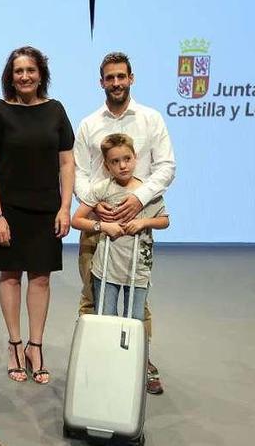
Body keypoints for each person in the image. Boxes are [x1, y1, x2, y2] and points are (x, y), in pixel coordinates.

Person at [74, 51, 176, 394]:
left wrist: (138, 199)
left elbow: (166, 167)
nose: (116, 83)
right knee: (93, 296)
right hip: (98, 222)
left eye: (121, 76)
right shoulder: (89, 124)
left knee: (137, 300)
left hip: (137, 224)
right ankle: (94, 362)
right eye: (109, 77)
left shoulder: (151, 119)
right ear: (101, 82)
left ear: (131, 78)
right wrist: (97, 207)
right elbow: (80, 172)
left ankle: (139, 361)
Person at [0, 46, 75, 385]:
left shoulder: (56, 111)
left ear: (40, 74)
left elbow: (67, 162)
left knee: (41, 278)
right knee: (9, 276)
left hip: (47, 209)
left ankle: (36, 346)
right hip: (8, 211)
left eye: (31, 70)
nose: (25, 76)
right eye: (18, 71)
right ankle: (15, 346)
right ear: (10, 76)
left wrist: (65, 207)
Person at [71, 133, 169, 323]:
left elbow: (164, 220)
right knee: (105, 316)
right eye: (115, 162)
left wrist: (143, 222)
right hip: (107, 268)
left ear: (136, 158)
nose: (122, 166)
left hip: (138, 269)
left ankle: (136, 353)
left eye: (127, 159)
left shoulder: (146, 191)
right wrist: (104, 226)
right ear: (107, 166)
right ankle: (106, 352)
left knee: (136, 318)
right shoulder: (102, 189)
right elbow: (77, 219)